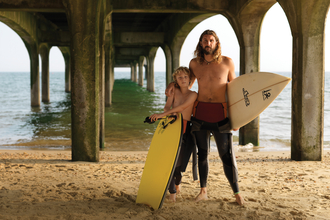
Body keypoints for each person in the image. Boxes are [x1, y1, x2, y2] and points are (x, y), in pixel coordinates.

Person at [165, 30, 244, 205]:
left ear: (216, 43)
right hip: (200, 114)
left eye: (211, 40)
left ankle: (237, 192)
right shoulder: (194, 64)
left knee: (227, 155)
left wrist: (237, 117)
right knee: (202, 154)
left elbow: (236, 90)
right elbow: (185, 83)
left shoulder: (227, 62)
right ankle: (203, 191)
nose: (208, 43)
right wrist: (173, 83)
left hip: (221, 115)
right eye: (205, 40)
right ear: (200, 44)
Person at [150, 66, 197, 202]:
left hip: (186, 128)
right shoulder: (174, 91)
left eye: (185, 77)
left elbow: (182, 107)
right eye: (179, 77)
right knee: (170, 161)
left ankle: (177, 183)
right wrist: (169, 113)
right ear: (175, 80)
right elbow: (167, 106)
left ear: (189, 79)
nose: (183, 79)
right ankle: (172, 193)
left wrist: (163, 114)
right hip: (173, 126)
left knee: (181, 165)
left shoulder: (193, 94)